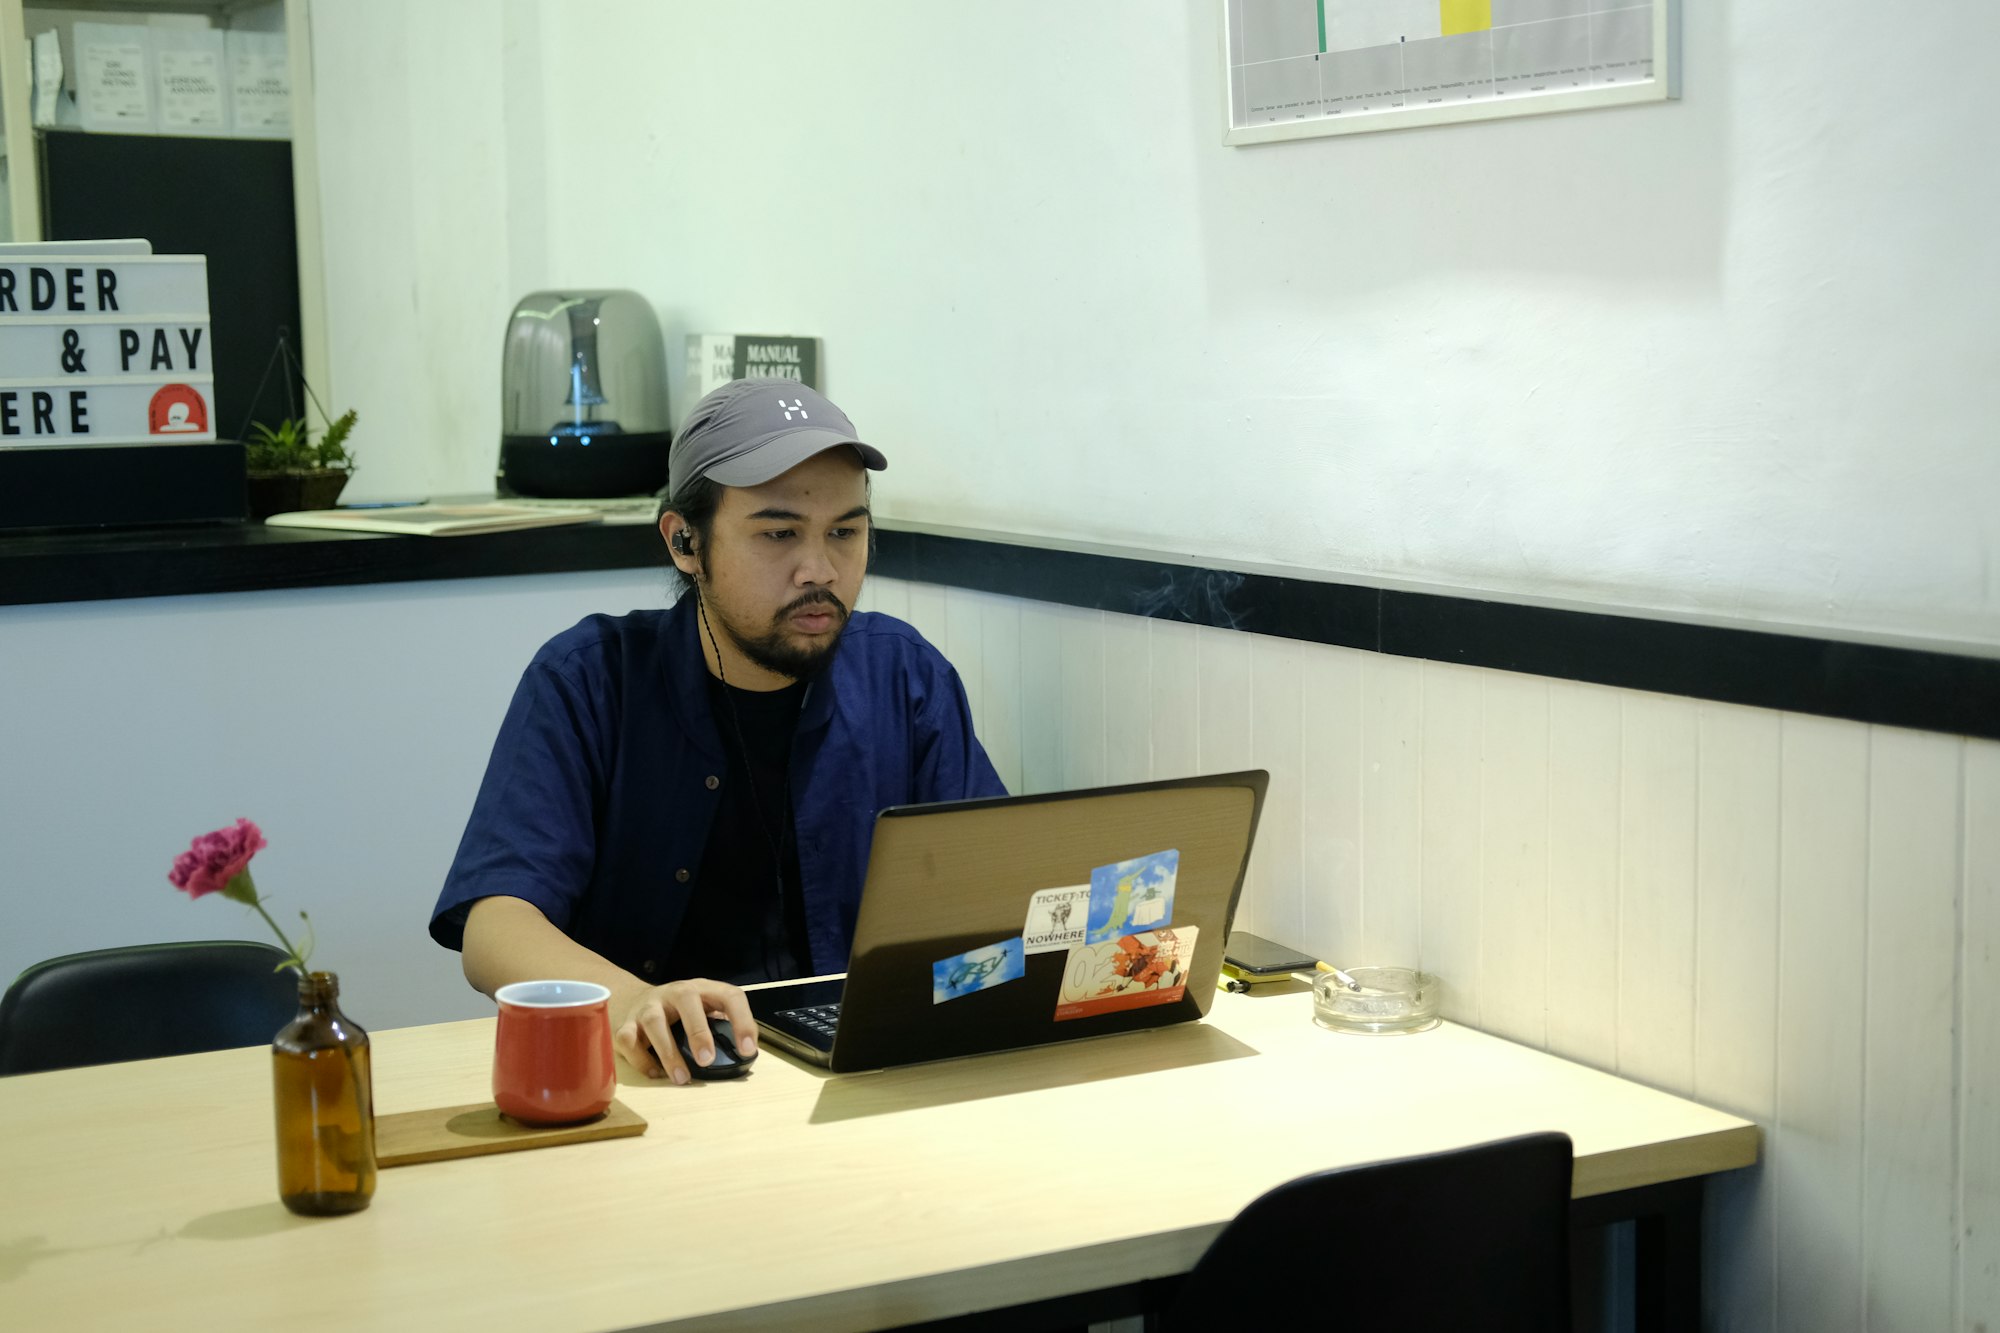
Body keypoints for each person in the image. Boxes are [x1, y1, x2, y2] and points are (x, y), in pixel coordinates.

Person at [430, 379, 1005, 1083]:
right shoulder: (590, 679)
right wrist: (637, 1002)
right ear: (685, 541)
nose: (820, 570)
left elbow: (997, 899)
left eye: (845, 533)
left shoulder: (905, 677)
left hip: (855, 1078)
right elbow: (494, 930)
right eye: (778, 533)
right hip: (654, 1080)